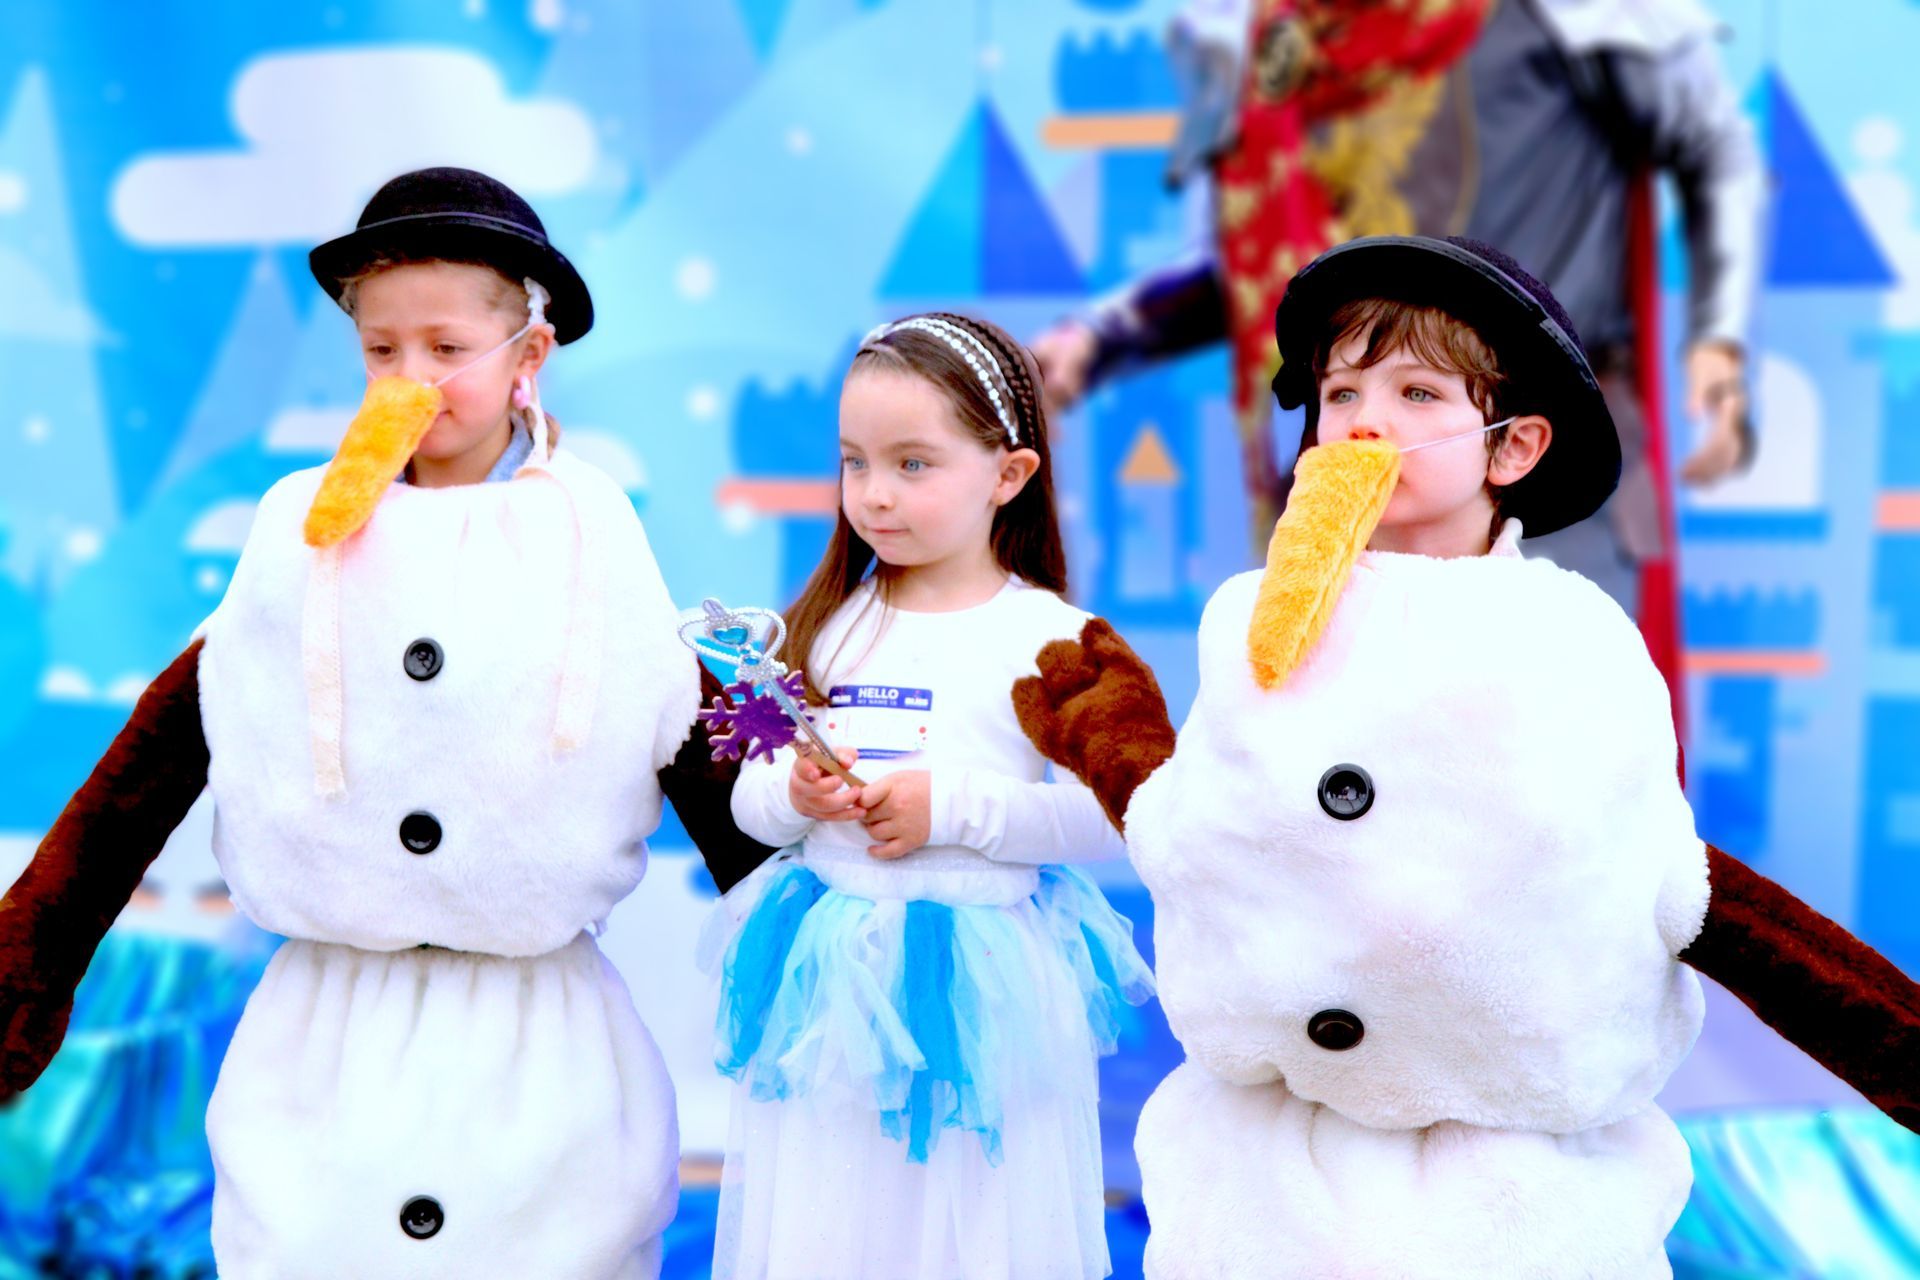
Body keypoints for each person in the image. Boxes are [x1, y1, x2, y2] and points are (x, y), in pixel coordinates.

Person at [1010, 235, 1918, 1276]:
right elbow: (1212, 839)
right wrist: (1122, 748)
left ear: (1513, 446)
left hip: (1509, 1196)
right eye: (1338, 390)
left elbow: (1668, 882)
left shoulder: (1572, 639)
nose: (1364, 420)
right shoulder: (1247, 625)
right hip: (1269, 1182)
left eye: (1417, 392)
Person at [0, 166, 772, 1278]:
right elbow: (165, 746)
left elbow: (700, 745)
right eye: (381, 350)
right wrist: (33, 953)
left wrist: (824, 933)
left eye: (448, 349)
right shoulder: (291, 541)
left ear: (528, 358)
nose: (413, 377)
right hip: (328, 1043)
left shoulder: (590, 541)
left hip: (537, 1049)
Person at [1033, 0, 1761, 624]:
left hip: (1532, 476)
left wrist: (1719, 340)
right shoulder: (1280, 30)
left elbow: (1715, 148)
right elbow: (1261, 261)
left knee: (1555, 739)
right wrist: (1102, 336)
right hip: (1341, 478)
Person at [709, 312, 1153, 1280]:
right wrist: (796, 791)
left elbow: (1126, 811)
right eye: (855, 461)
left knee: (970, 1217)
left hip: (986, 982)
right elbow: (746, 798)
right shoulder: (822, 622)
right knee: (834, 1212)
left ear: (1010, 474)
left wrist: (954, 810)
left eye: (915, 464)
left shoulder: (1054, 635)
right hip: (829, 980)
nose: (874, 493)